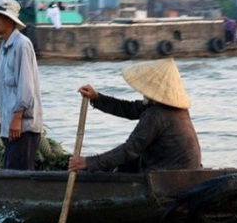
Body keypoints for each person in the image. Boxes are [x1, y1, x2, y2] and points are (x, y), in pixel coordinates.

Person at [68, 58, 202, 173]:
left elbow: (129, 150)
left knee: (126, 160)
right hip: (186, 170)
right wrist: (97, 98)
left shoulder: (156, 115)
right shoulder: (177, 110)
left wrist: (88, 163)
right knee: (126, 162)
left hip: (165, 176)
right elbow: (128, 108)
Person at [0, 0, 43, 170]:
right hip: (11, 127)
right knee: (11, 174)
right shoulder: (4, 47)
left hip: (23, 128)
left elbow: (26, 87)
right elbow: (6, 92)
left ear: (9, 20)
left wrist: (16, 118)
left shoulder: (22, 45)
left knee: (18, 178)